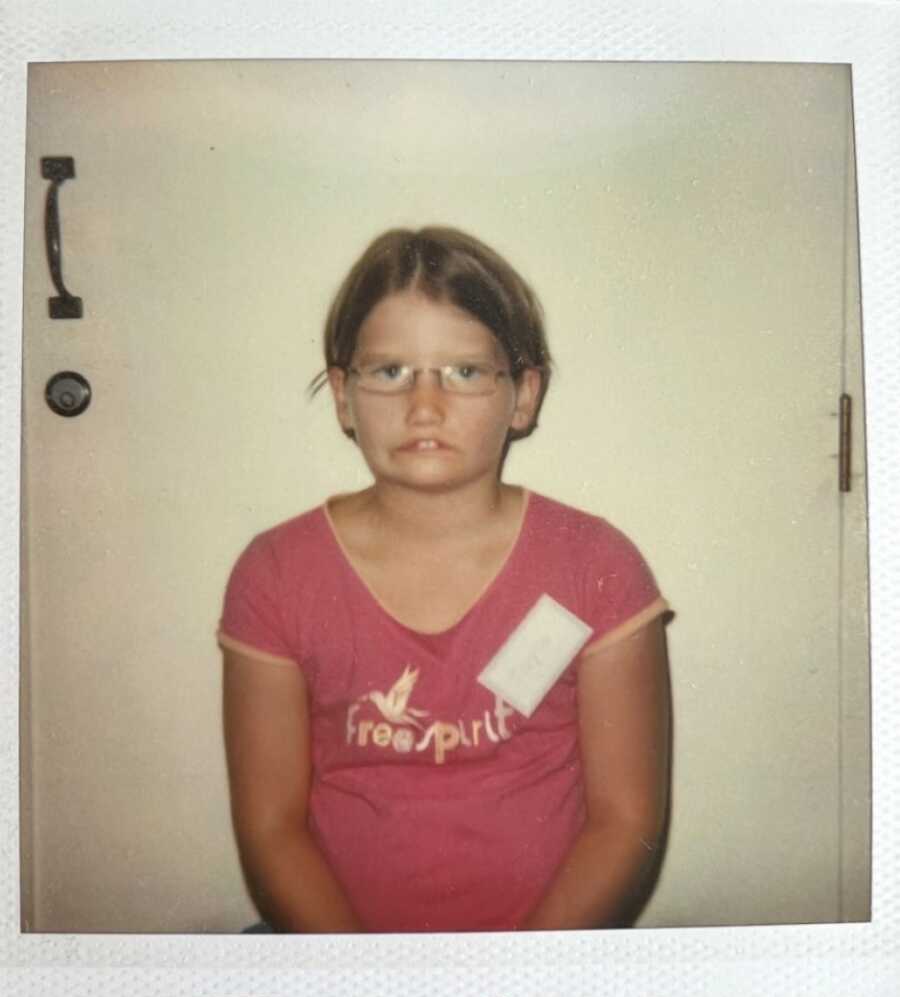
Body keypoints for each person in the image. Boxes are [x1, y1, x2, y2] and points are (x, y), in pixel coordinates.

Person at [217, 225, 671, 934]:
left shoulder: (596, 567)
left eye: (463, 372)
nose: (423, 407)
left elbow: (626, 819)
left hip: (543, 960)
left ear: (523, 395)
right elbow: (272, 829)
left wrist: (518, 979)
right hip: (338, 957)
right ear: (343, 395)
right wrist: (363, 981)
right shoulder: (275, 575)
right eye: (390, 371)